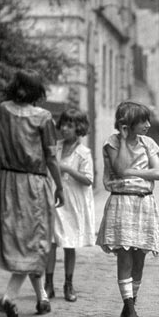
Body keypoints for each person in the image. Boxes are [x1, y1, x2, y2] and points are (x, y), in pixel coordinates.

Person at [0, 70, 64, 317]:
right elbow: (51, 157)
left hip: (8, 180)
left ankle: (42, 297)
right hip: (33, 183)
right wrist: (60, 186)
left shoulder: (1, 110)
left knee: (25, 241)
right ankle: (9, 297)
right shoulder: (43, 117)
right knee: (36, 243)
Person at [96, 101, 159, 317]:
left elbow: (158, 172)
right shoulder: (113, 143)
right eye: (142, 121)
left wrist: (132, 172)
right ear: (127, 124)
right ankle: (130, 309)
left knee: (139, 258)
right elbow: (119, 167)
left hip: (144, 202)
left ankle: (130, 306)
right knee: (124, 257)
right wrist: (124, 140)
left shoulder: (149, 143)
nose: (147, 125)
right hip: (122, 201)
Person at [46, 107, 95, 303]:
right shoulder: (55, 148)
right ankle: (48, 283)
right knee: (51, 241)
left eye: (70, 125)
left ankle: (68, 282)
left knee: (69, 243)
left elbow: (88, 179)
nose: (65, 129)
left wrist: (67, 168)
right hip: (55, 199)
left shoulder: (83, 153)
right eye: (63, 124)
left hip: (72, 201)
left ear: (79, 128)